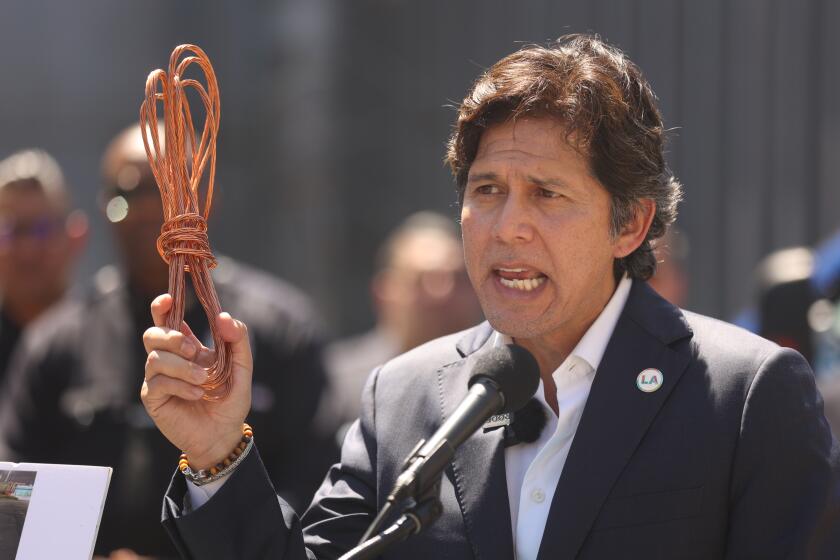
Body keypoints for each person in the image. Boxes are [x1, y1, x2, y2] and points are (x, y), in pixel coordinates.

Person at [142, 35, 839, 559]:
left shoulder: (744, 396)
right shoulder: (406, 398)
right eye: (486, 192)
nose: (508, 228)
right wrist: (216, 453)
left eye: (547, 194)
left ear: (630, 223)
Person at [0, 124, 330, 558]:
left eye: (170, 188)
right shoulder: (56, 343)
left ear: (206, 198)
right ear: (104, 208)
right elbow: (13, 501)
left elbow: (316, 489)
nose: (152, 209)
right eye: (130, 193)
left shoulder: (279, 330)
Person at [315, 211, 483, 446]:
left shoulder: (499, 381)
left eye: (458, 278)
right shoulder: (336, 384)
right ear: (383, 293)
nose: (442, 294)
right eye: (422, 280)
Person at [0, 149, 86, 383]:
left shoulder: (105, 341)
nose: (28, 250)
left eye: (43, 229)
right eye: (13, 231)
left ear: (75, 237)